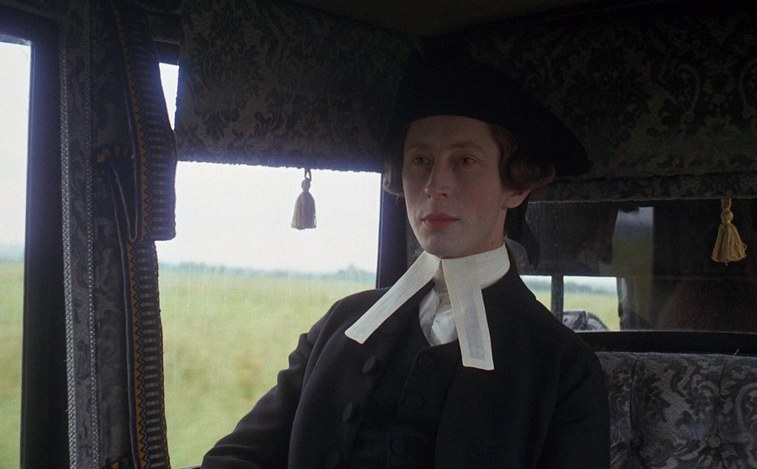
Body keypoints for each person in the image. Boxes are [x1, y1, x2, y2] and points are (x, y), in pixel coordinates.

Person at [202, 50, 610, 468]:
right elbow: (237, 458)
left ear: (515, 186)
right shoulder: (341, 324)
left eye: (464, 161)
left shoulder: (562, 366)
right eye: (420, 161)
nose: (435, 185)